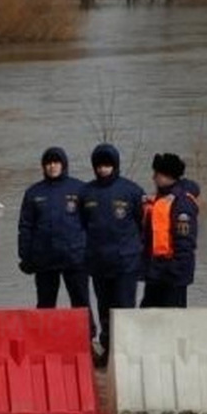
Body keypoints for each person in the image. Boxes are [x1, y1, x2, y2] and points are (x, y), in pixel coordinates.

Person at [78, 143, 145, 366]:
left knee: (125, 308)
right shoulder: (86, 193)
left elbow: (142, 224)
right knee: (104, 309)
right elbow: (81, 224)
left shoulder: (132, 191)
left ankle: (127, 354)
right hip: (98, 263)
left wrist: (138, 256)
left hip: (126, 262)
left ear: (115, 165)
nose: (103, 170)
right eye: (99, 166)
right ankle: (107, 350)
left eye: (107, 165)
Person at [17, 147, 93, 330]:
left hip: (75, 257)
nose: (52, 166)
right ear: (43, 166)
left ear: (63, 165)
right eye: (48, 163)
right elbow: (25, 227)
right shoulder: (33, 193)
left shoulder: (80, 189)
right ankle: (43, 341)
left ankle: (86, 339)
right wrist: (25, 256)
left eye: (56, 162)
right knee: (45, 304)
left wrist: (91, 253)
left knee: (81, 303)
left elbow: (91, 224)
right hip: (44, 259)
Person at [141, 153, 200, 309]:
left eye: (157, 174)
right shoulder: (159, 199)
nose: (153, 178)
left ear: (167, 176)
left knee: (173, 320)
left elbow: (185, 241)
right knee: (148, 316)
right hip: (156, 272)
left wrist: (175, 270)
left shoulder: (182, 203)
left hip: (173, 274)